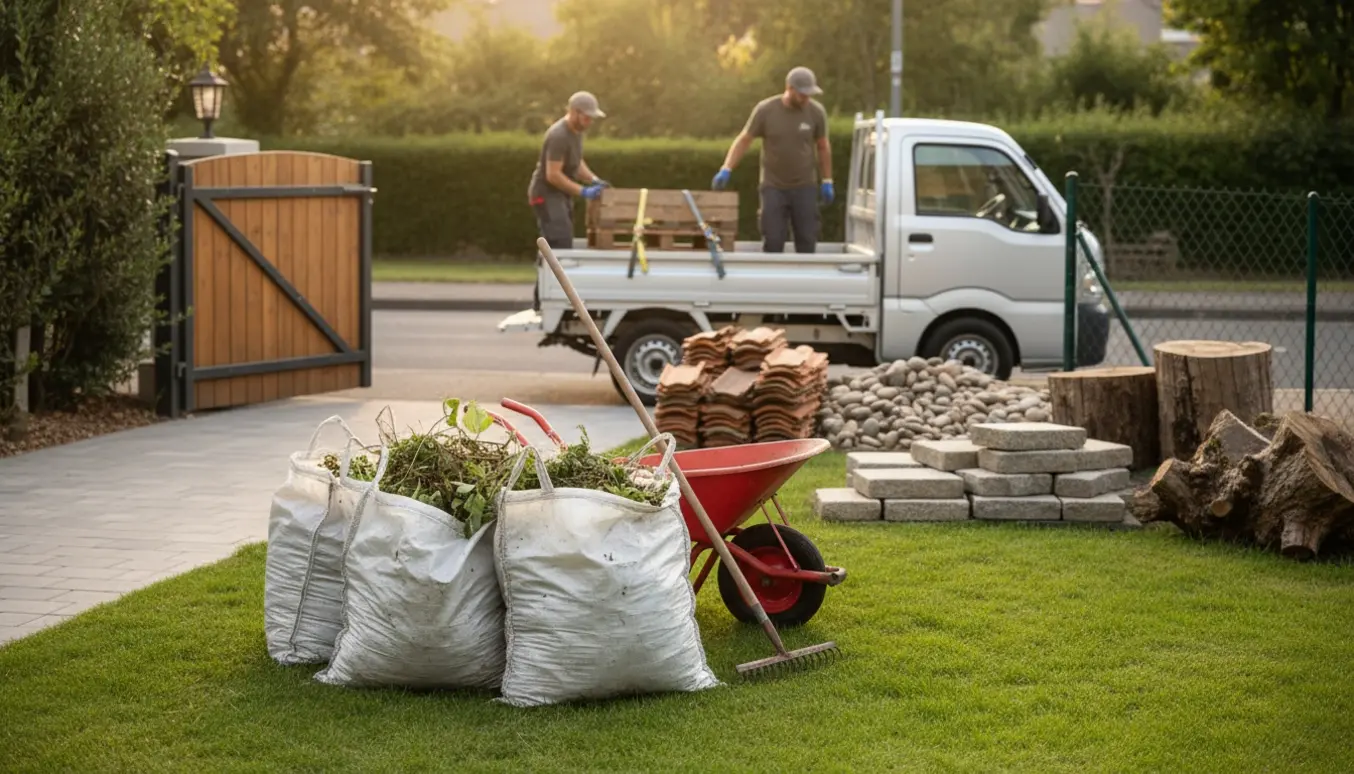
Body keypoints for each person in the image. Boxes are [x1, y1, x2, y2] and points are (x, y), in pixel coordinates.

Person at [712, 66, 832, 254]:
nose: (806, 99)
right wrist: (726, 168)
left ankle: (805, 282)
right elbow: (744, 140)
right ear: (789, 88)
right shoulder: (766, 110)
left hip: (804, 187)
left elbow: (823, 146)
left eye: (809, 94)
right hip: (773, 187)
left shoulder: (816, 113)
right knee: (774, 240)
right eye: (802, 94)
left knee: (807, 240)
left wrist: (827, 180)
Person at [527, 91, 608, 310]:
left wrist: (593, 179)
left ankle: (544, 299)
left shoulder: (576, 133)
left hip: (559, 195)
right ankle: (543, 301)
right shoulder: (558, 135)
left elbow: (576, 163)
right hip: (545, 194)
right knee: (558, 242)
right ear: (573, 112)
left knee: (562, 243)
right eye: (586, 117)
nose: (589, 121)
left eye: (591, 117)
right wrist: (582, 192)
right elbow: (553, 175)